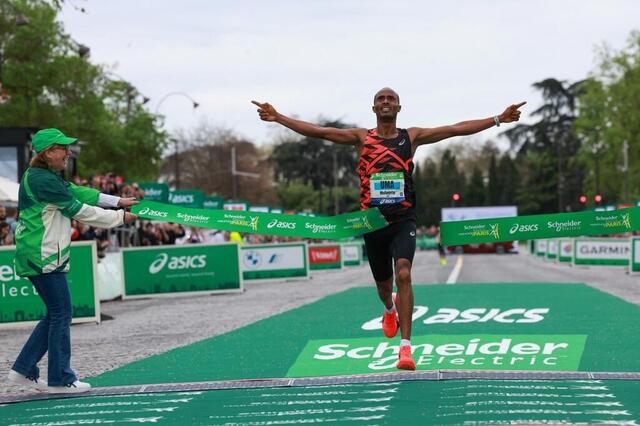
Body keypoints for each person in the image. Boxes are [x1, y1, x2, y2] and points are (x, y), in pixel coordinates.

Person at [252, 89, 524, 370]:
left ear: (399, 107)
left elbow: (454, 130)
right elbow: (319, 132)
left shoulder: (411, 137)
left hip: (403, 220)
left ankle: (405, 349)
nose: (385, 102)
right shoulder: (361, 138)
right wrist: (279, 117)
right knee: (384, 287)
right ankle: (389, 309)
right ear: (373, 108)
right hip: (373, 222)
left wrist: (497, 118)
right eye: (381, 99)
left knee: (403, 273)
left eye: (390, 99)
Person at [8, 128, 138, 394]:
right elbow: (80, 210)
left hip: (39, 254)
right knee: (61, 313)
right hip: (41, 255)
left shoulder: (43, 176)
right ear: (47, 153)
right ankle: (60, 379)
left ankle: (23, 369)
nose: (68, 152)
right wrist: (119, 218)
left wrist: (117, 201)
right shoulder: (43, 180)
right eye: (62, 148)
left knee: (56, 313)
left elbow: (80, 193)